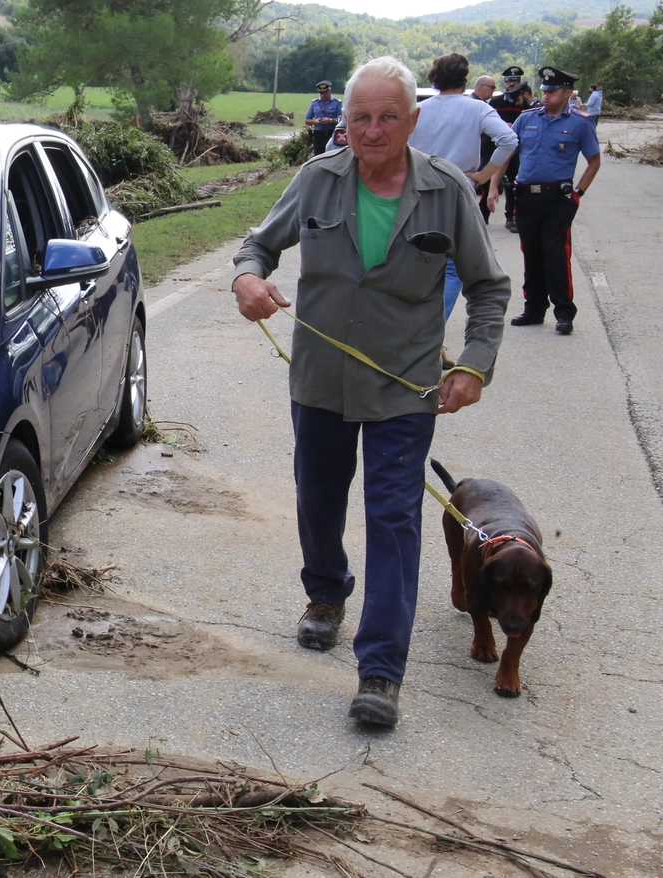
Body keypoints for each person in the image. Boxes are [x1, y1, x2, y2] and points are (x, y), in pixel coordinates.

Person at [231, 56, 511, 729]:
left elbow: (489, 287)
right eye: (362, 117)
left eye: (389, 117)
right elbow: (257, 246)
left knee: (393, 520)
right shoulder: (316, 180)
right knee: (319, 501)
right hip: (321, 382)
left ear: (413, 121)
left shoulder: (445, 191)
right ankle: (325, 595)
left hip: (405, 388)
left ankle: (381, 670)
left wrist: (473, 364)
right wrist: (246, 281)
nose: (374, 130)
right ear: (345, 122)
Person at [410, 53, 517, 321]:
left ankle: (418, 329)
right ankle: (434, 331)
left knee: (418, 262)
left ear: (434, 78)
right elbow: (508, 139)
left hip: (418, 191)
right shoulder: (477, 108)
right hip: (458, 191)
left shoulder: (419, 110)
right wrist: (484, 175)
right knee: (453, 267)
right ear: (465, 79)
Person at [509, 66, 602, 335]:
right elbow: (507, 152)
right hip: (526, 196)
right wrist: (493, 185)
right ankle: (534, 309)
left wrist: (578, 194)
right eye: (544, 90)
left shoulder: (580, 123)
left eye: (553, 91)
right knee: (532, 252)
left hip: (558, 199)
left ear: (568, 93)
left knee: (556, 253)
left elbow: (594, 161)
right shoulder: (527, 119)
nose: (546, 95)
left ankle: (564, 313)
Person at [488, 74, 535, 232]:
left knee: (521, 183)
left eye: (516, 81)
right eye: (509, 81)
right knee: (508, 184)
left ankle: (519, 216)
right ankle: (510, 216)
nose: (512, 84)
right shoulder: (496, 103)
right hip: (503, 146)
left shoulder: (532, 108)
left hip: (524, 149)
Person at [306, 81, 343, 155]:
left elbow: (342, 120)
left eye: (325, 93)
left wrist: (330, 120)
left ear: (330, 90)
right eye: (321, 93)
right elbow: (307, 120)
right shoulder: (314, 103)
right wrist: (315, 121)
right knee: (318, 156)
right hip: (318, 135)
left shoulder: (337, 103)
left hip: (332, 133)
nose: (323, 95)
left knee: (332, 155)